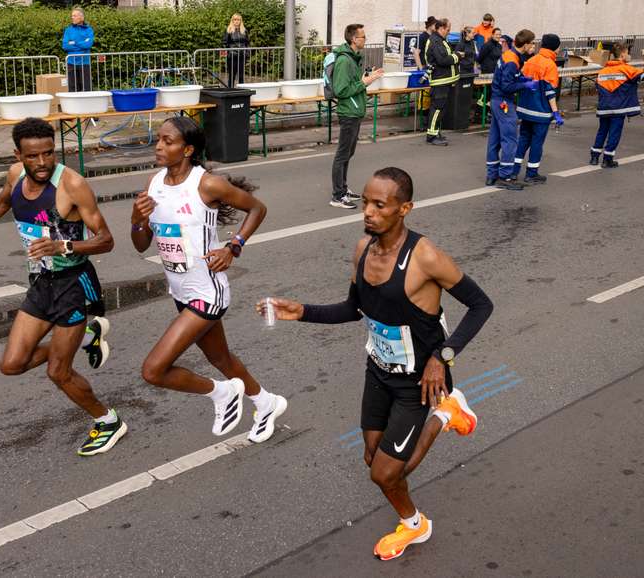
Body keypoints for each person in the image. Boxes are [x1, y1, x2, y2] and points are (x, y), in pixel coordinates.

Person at [259, 167, 493, 561]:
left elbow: (481, 305)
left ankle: (440, 423)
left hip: (421, 381)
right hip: (379, 371)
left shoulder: (425, 256)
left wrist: (443, 357)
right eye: (365, 201)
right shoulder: (362, 249)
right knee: (372, 456)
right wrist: (301, 312)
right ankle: (418, 506)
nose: (368, 211)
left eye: (379, 205)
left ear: (404, 209)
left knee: (384, 473)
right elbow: (355, 308)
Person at [0, 117, 124, 457]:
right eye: (33, 156)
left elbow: (106, 240)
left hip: (72, 285)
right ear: (18, 155)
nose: (42, 163)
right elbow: (0, 205)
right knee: (12, 364)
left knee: (58, 372)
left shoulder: (72, 185)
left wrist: (63, 246)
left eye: (49, 154)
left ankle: (108, 420)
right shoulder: (15, 176)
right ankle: (85, 337)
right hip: (40, 283)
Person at [130, 117, 287, 444]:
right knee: (220, 358)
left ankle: (222, 393)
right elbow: (141, 244)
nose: (159, 146)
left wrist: (234, 246)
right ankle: (265, 402)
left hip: (207, 292)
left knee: (153, 370)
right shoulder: (154, 182)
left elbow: (257, 208)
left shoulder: (207, 184)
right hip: (180, 291)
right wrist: (136, 219)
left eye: (168, 141)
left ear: (187, 150)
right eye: (158, 140)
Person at [330, 23, 384, 209]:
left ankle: (343, 189)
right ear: (354, 39)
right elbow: (341, 89)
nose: (365, 39)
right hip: (348, 112)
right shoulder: (345, 60)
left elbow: (354, 83)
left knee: (348, 153)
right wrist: (366, 82)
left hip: (355, 111)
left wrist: (366, 79)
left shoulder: (353, 58)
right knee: (342, 154)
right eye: (363, 37)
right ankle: (337, 196)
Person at [592, 43, 644, 166]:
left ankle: (594, 157)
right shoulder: (626, 69)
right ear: (623, 54)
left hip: (604, 108)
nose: (629, 55)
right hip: (618, 109)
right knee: (614, 133)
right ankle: (607, 159)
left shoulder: (603, 71)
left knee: (602, 132)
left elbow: (598, 87)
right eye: (628, 53)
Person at [486, 29, 539, 190]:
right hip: (503, 102)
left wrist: (522, 78)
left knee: (494, 140)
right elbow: (507, 85)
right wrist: (525, 84)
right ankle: (505, 176)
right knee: (510, 140)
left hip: (496, 100)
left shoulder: (509, 55)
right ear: (526, 44)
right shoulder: (512, 60)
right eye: (532, 43)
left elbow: (507, 77)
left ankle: (492, 175)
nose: (533, 47)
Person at [513, 33, 564, 184]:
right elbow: (550, 92)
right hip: (541, 112)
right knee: (536, 142)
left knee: (523, 140)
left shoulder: (531, 60)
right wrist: (556, 113)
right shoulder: (550, 65)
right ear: (555, 47)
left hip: (525, 109)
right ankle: (531, 173)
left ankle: (514, 171)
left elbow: (520, 81)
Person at [424, 19, 461, 146]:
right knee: (437, 108)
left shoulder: (440, 40)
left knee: (441, 108)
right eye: (448, 30)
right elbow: (443, 60)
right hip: (440, 81)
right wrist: (457, 56)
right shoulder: (436, 41)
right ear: (441, 28)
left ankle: (436, 132)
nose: (449, 32)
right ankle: (431, 136)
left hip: (444, 80)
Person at [62, 6, 94, 92]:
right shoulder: (68, 30)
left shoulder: (89, 30)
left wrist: (74, 42)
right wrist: (81, 43)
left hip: (85, 62)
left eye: (75, 15)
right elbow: (65, 46)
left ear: (81, 17)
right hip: (71, 62)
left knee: (86, 88)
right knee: (72, 88)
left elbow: (88, 44)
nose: (72, 17)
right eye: (72, 15)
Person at [223, 13, 249, 88]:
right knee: (232, 75)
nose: (237, 21)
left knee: (241, 75)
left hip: (242, 56)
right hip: (232, 56)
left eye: (238, 19)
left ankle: (242, 91)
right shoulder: (229, 30)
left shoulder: (244, 30)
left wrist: (247, 53)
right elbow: (224, 43)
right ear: (232, 20)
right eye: (235, 19)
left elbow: (247, 43)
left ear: (241, 21)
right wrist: (227, 54)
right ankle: (230, 91)